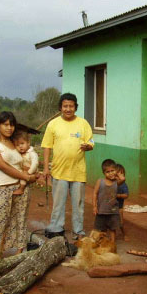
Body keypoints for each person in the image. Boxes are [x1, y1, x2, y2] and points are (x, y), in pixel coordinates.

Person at [42, 93, 94, 240]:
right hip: (59, 171)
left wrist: (88, 146)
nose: (68, 109)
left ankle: (78, 231)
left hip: (78, 172)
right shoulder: (53, 124)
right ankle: (56, 229)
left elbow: (91, 142)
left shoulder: (83, 123)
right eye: (65, 106)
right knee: (58, 204)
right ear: (60, 107)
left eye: (71, 106)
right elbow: (47, 147)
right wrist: (46, 168)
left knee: (78, 205)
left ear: (75, 107)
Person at [0, 111, 37, 262]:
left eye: (12, 125)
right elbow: (3, 167)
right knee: (0, 221)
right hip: (3, 188)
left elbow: (26, 163)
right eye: (6, 124)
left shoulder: (16, 144)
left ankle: (19, 254)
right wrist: (26, 177)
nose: (9, 128)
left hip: (22, 188)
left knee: (20, 220)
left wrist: (32, 176)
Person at [92, 159, 120, 244]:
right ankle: (100, 244)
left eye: (113, 171)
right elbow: (95, 194)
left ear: (116, 170)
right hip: (101, 210)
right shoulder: (100, 182)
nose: (111, 173)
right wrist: (94, 206)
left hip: (113, 211)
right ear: (104, 173)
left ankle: (112, 245)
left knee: (112, 229)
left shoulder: (117, 182)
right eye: (108, 172)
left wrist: (117, 174)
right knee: (100, 229)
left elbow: (123, 178)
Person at [12, 129, 39, 195]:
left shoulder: (32, 153)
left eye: (22, 143)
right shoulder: (20, 153)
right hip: (24, 170)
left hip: (31, 171)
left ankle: (21, 189)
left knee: (23, 178)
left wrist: (29, 172)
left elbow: (35, 163)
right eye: (17, 145)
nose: (20, 146)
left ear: (28, 143)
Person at [115, 163, 129, 241]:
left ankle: (125, 234)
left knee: (121, 223)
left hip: (119, 207)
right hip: (110, 207)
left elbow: (126, 195)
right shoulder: (112, 184)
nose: (119, 177)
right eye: (117, 175)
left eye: (121, 175)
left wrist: (118, 195)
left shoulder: (124, 185)